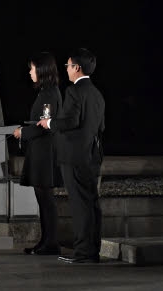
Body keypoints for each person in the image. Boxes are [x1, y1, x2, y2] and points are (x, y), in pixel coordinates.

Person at [38, 48, 105, 263]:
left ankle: (83, 252)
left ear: (77, 68)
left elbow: (70, 122)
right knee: (92, 202)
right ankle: (92, 250)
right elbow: (100, 126)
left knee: (80, 204)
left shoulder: (74, 91)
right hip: (92, 155)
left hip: (74, 157)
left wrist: (49, 123)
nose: (66, 69)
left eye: (68, 65)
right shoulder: (96, 93)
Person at [13, 52, 62, 255]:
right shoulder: (46, 92)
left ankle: (50, 243)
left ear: (41, 70)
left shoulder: (49, 94)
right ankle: (46, 241)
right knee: (43, 198)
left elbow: (45, 125)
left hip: (44, 153)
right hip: (41, 151)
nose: (30, 72)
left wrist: (22, 133)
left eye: (32, 68)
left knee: (45, 198)